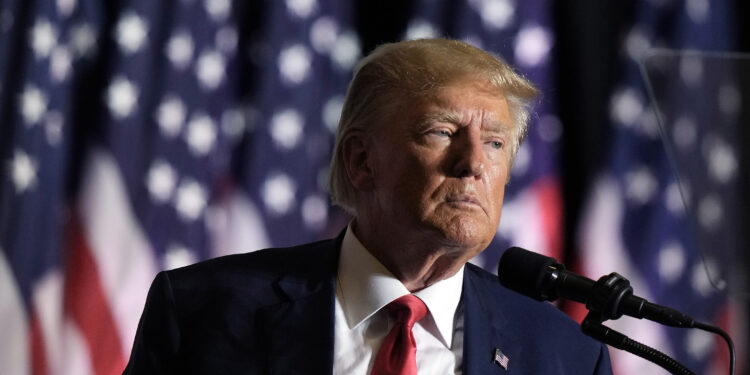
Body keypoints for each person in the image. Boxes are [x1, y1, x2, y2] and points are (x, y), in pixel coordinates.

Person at [123, 38, 612, 374]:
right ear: (361, 160)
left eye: (496, 144)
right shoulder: (203, 311)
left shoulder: (562, 353)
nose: (473, 164)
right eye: (442, 132)